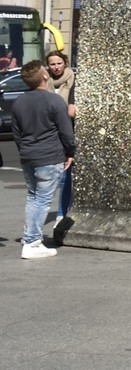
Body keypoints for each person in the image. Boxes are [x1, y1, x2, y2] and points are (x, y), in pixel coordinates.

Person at [13, 60, 75, 260]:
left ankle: (29, 237)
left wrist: (24, 151)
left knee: (33, 197)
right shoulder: (53, 100)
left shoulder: (19, 102)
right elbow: (66, 132)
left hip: (28, 156)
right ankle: (32, 242)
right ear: (45, 77)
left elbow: (17, 134)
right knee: (42, 200)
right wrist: (70, 152)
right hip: (49, 155)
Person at [43, 50, 75, 222]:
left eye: (59, 63)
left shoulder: (73, 80)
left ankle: (62, 214)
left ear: (65, 63)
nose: (56, 67)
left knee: (65, 175)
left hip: (69, 130)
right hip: (51, 132)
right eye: (52, 64)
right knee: (55, 176)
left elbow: (72, 110)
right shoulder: (45, 81)